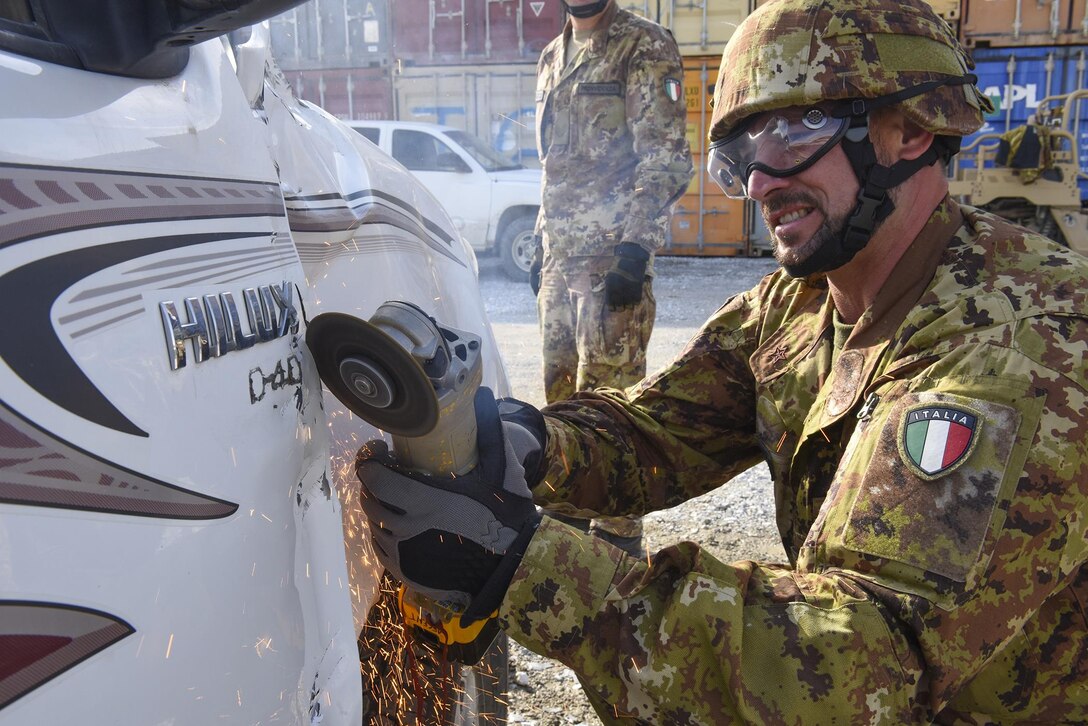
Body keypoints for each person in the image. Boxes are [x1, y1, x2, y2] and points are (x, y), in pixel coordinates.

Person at [356, 0, 1088, 722]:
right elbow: (661, 431)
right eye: (744, 151)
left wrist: (521, 565)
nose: (763, 182)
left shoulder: (1022, 350)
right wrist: (532, 443)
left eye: (799, 127)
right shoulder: (796, 305)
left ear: (910, 129)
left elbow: (862, 669)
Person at [529, 0, 694, 556]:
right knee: (560, 402)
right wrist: (540, 241)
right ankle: (568, 531)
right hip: (560, 258)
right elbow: (554, 162)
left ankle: (620, 547)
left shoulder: (643, 44)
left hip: (609, 261)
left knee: (611, 409)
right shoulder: (552, 56)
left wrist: (634, 249)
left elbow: (665, 156)